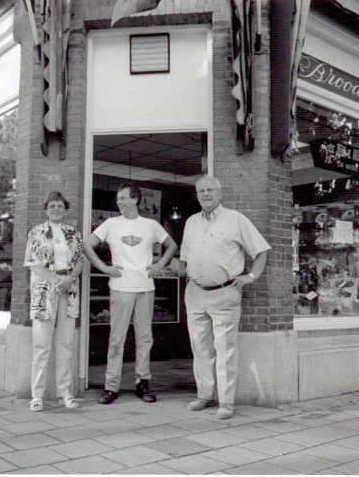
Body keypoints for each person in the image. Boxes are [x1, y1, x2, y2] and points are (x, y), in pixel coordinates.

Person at [180, 176, 270, 420]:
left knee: (225, 349)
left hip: (225, 292)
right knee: (200, 348)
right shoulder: (190, 222)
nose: (206, 194)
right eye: (201, 191)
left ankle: (227, 403)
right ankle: (205, 396)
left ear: (219, 194)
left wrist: (250, 276)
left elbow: (261, 250)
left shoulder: (235, 219)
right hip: (196, 292)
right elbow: (185, 256)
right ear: (197, 196)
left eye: (210, 190)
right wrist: (185, 273)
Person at [84, 184, 178, 404]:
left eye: (123, 198)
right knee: (116, 339)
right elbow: (87, 246)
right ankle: (111, 387)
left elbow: (172, 245)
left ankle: (142, 383)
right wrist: (104, 268)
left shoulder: (150, 225)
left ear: (136, 199)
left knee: (144, 338)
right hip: (120, 288)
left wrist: (160, 265)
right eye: (118, 198)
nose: (119, 202)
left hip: (145, 288)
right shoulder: (110, 224)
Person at [24, 192, 84, 412]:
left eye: (60, 205)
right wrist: (58, 282)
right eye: (52, 206)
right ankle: (37, 396)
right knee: (41, 346)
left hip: (69, 292)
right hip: (44, 292)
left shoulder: (73, 233)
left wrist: (70, 279)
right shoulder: (36, 232)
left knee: (65, 345)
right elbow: (33, 264)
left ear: (65, 209)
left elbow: (79, 261)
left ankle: (65, 393)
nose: (56, 209)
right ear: (46, 209)